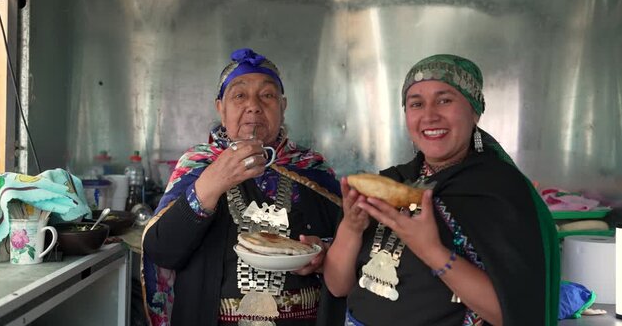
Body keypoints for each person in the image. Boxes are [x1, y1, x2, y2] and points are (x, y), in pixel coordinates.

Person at [324, 54, 560, 326]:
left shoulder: (500, 191)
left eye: (444, 100)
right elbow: (338, 287)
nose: (429, 115)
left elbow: (514, 314)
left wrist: (431, 250)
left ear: (474, 111)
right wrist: (351, 229)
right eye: (416, 104)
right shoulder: (390, 184)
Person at [142, 48, 344, 326]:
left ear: (283, 106)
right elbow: (161, 251)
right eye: (239, 95)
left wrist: (325, 254)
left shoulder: (311, 168)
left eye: (267, 95)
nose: (254, 105)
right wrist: (213, 182)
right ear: (220, 109)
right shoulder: (199, 166)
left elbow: (351, 247)